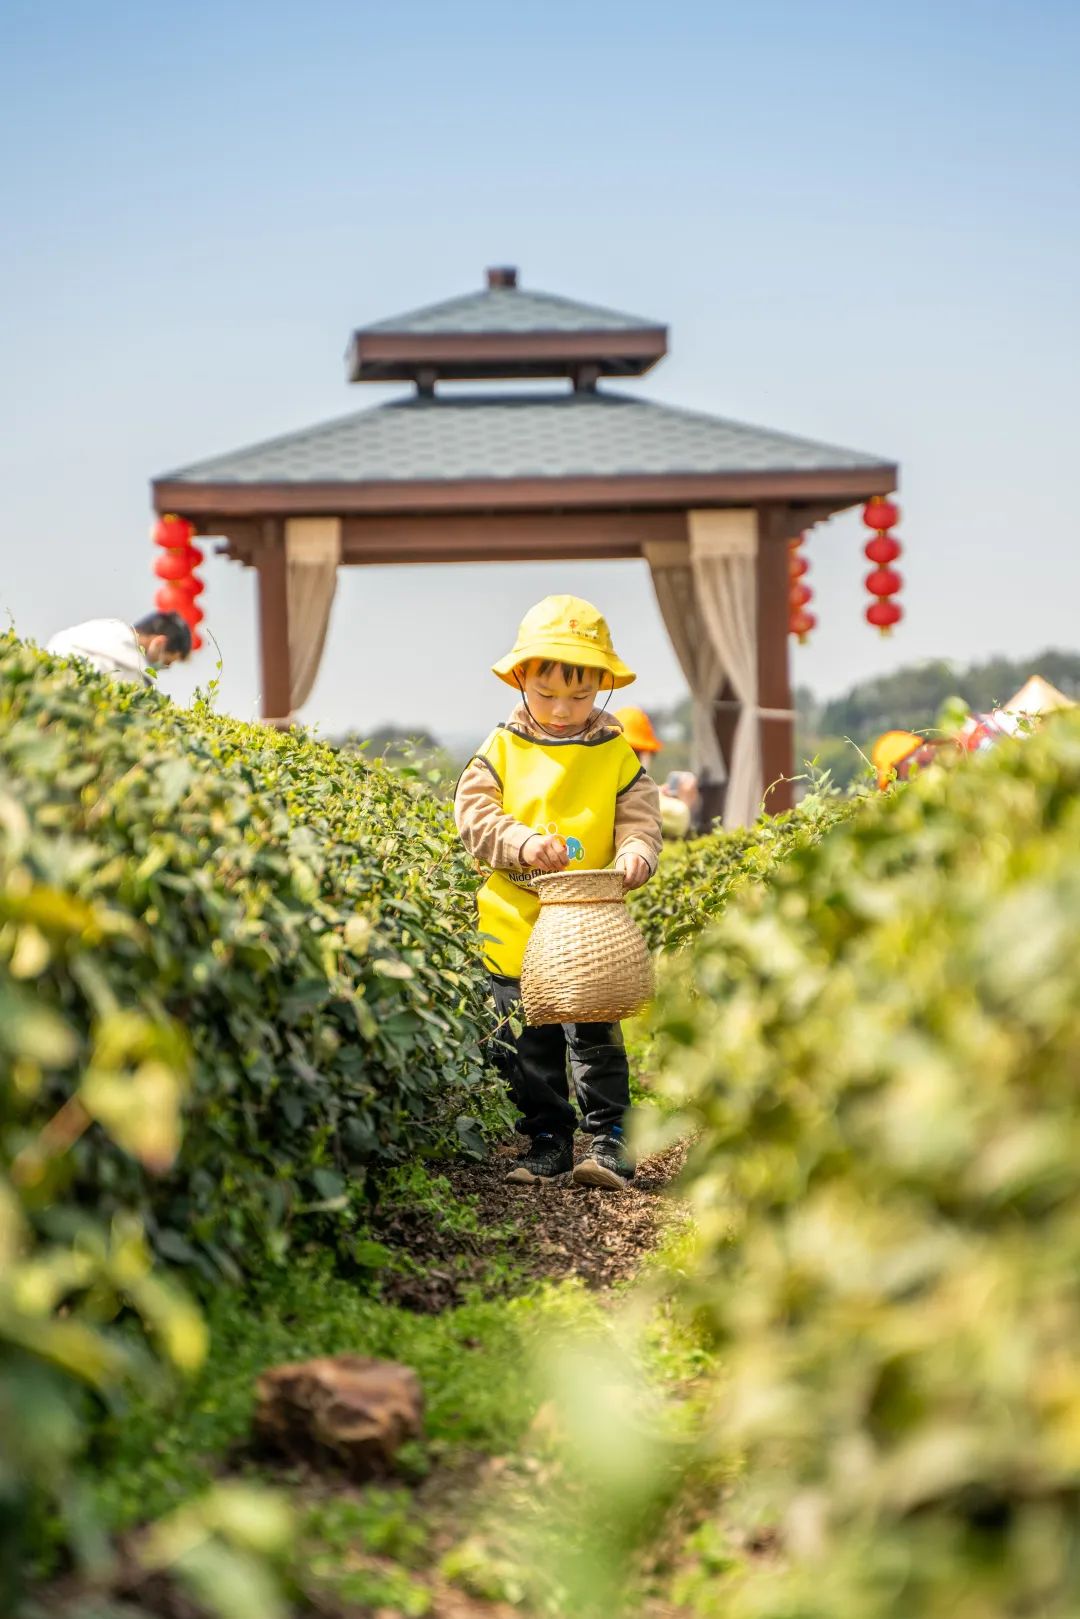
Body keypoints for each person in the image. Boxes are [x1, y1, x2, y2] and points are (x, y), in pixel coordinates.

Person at [454, 596, 662, 1191]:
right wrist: (519, 843)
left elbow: (641, 820)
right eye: (547, 695)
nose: (564, 710)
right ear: (521, 680)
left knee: (594, 1036)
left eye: (580, 696)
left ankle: (608, 1139)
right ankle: (548, 1138)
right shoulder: (501, 750)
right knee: (527, 1045)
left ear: (603, 685)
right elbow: (474, 815)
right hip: (516, 921)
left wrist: (635, 855)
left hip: (585, 928)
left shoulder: (616, 754)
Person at [45, 612, 192, 684]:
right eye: (167, 663)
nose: (162, 668)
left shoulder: (97, 628)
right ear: (159, 643)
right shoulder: (135, 674)